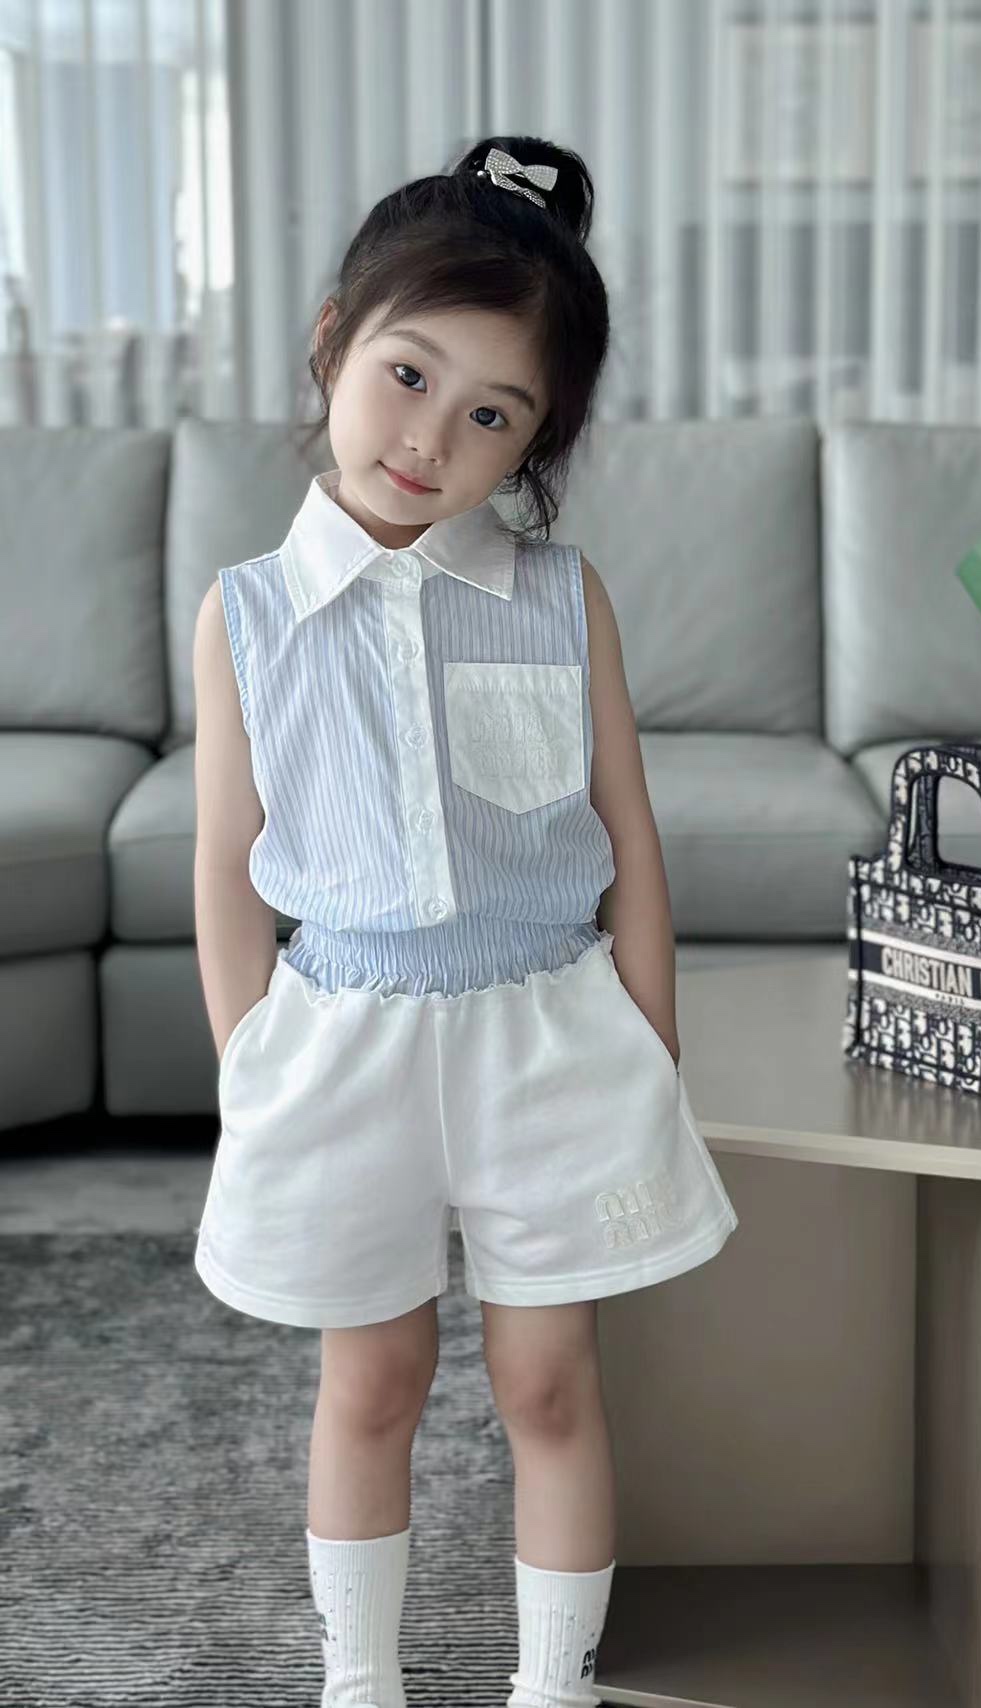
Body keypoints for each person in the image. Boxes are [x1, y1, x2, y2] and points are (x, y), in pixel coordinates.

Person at [189, 135, 739, 1708]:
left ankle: (553, 1689)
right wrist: (250, 1065)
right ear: (333, 343)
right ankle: (359, 1683)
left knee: (547, 1381)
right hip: (338, 1044)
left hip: (544, 1037)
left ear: (536, 439)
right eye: (408, 375)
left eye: (493, 413)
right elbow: (226, 863)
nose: (433, 437)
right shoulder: (248, 612)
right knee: (370, 1381)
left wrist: (648, 1046)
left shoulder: (562, 598)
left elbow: (629, 836)